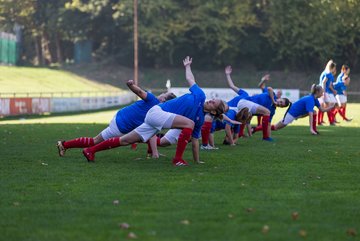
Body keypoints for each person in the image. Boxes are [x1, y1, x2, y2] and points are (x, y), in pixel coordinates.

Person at [81, 56, 228, 166]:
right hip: (156, 112)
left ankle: (90, 151)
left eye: (214, 102)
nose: (211, 100)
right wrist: (187, 66)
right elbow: (191, 79)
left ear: (214, 112)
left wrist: (197, 161)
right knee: (188, 123)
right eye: (212, 99)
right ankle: (177, 159)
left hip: (156, 120)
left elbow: (195, 141)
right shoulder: (200, 95)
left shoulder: (200, 119)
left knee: (124, 140)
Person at [57, 80, 176, 158]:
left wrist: (131, 85)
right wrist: (130, 85)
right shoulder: (157, 105)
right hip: (122, 124)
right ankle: (67, 145)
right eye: (163, 94)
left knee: (141, 137)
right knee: (96, 140)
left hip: (122, 119)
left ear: (163, 100)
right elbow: (139, 92)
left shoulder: (154, 103)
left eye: (164, 95)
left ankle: (74, 147)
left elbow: (140, 92)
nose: (161, 95)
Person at [318, 60, 337, 125]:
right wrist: (323, 92)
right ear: (332, 68)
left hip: (320, 90)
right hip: (323, 91)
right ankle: (331, 122)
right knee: (328, 106)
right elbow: (323, 82)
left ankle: (319, 122)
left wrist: (332, 90)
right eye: (334, 68)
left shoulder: (324, 72)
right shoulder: (328, 74)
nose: (335, 69)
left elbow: (328, 84)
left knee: (322, 106)